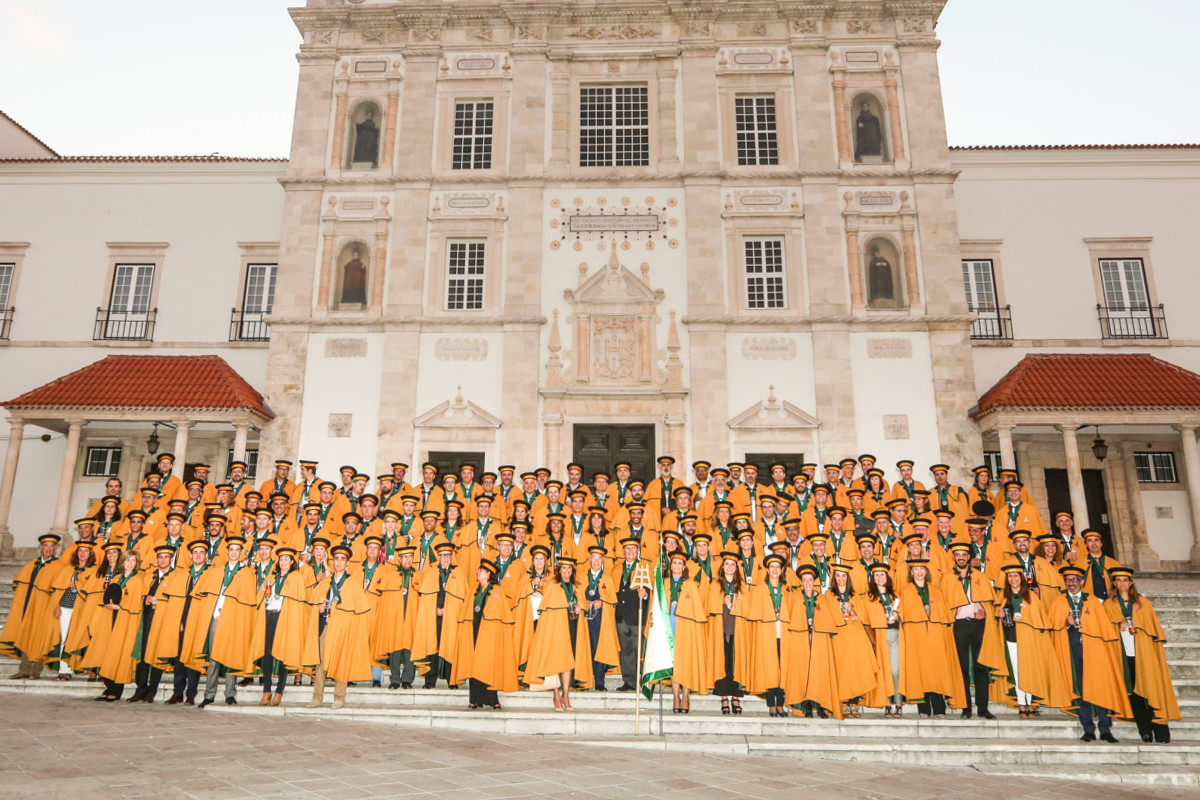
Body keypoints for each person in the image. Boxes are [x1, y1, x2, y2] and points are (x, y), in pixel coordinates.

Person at [1048, 565, 1131, 741]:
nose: (1071, 583)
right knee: (1081, 688)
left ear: (1082, 582)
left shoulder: (1093, 601)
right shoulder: (1059, 601)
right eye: (1068, 580)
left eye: (1075, 580)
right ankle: (1088, 728)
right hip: (1073, 650)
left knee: (1101, 686)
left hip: (1094, 650)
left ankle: (1105, 728)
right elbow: (1053, 627)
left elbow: (1102, 626)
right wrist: (1067, 622)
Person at [985, 564, 1069, 718]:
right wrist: (1000, 615)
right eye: (1010, 576)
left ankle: (1030, 703)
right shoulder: (1003, 596)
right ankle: (1021, 704)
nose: (1013, 579)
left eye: (1016, 576)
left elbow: (1039, 619)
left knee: (1029, 671)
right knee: (1016, 672)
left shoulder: (1031, 596)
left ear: (1021, 578)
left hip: (1028, 640)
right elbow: (995, 619)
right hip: (1011, 639)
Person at [1105, 566, 1178, 743]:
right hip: (1124, 654)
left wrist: (1137, 625)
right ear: (1114, 583)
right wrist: (1117, 625)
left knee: (1152, 689)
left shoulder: (1142, 603)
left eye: (1125, 580)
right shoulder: (1108, 605)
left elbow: (1152, 628)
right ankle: (1144, 730)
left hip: (1144, 653)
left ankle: (1161, 731)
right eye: (1119, 580)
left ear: (1130, 583)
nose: (1122, 583)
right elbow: (1105, 629)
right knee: (1134, 694)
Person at [309, 544, 374, 709]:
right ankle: (317, 697)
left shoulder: (352, 584)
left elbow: (358, 609)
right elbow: (315, 604)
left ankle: (339, 697)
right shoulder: (325, 583)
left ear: (347, 563)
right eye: (336, 559)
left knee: (342, 662)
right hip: (326, 626)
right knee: (320, 663)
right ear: (332, 562)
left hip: (344, 629)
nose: (339, 562)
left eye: (342, 559)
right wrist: (320, 608)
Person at [942, 542, 1000, 719]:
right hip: (958, 625)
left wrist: (984, 610)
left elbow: (990, 602)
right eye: (957, 554)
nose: (961, 557)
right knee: (962, 667)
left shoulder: (981, 577)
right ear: (953, 557)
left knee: (981, 666)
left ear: (969, 557)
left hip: (978, 624)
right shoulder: (946, 578)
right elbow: (944, 604)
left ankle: (983, 707)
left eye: (964, 554)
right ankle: (965, 707)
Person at [897, 558, 962, 718]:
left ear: (926, 572)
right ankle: (924, 709)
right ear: (911, 573)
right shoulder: (906, 591)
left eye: (922, 569)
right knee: (920, 670)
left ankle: (939, 708)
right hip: (916, 635)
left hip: (935, 634)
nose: (919, 572)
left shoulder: (935, 590)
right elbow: (902, 614)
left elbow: (944, 615)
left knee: (937, 669)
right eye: (916, 570)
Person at [452, 559, 518, 709]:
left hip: (489, 634)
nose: (477, 573)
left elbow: (501, 616)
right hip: (473, 630)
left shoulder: (497, 592)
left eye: (480, 571)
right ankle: (474, 698)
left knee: (488, 664)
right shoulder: (473, 591)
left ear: (488, 574)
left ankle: (491, 698)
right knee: (473, 663)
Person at [525, 558, 589, 710]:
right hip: (556, 627)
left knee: (568, 660)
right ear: (559, 570)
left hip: (572, 625)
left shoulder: (577, 587)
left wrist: (581, 607)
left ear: (572, 571)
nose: (566, 571)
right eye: (563, 568)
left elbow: (583, 604)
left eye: (569, 569)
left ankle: (565, 695)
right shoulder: (553, 586)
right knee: (555, 659)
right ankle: (556, 694)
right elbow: (546, 609)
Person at [82, 549, 146, 701]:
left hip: (126, 618)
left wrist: (119, 607)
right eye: (128, 560)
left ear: (137, 564)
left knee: (119, 652)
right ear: (122, 562)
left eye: (133, 561)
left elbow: (136, 603)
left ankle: (116, 690)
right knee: (107, 651)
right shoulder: (116, 578)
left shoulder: (138, 580)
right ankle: (108, 686)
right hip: (110, 617)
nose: (130, 563)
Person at [782, 563, 843, 718]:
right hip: (800, 639)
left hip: (819, 640)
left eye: (810, 579)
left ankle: (821, 704)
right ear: (801, 582)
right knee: (802, 671)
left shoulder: (821, 598)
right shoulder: (795, 597)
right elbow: (791, 617)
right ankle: (805, 703)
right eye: (805, 580)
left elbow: (827, 620)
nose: (808, 583)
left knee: (820, 671)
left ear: (814, 581)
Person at [1, 533, 65, 680]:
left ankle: (35, 671)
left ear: (55, 548)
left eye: (52, 546)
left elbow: (60, 589)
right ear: (41, 547)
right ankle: (23, 669)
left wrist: (56, 606)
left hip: (45, 608)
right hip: (27, 607)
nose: (48, 549)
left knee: (38, 637)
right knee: (25, 635)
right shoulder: (32, 565)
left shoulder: (60, 566)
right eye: (46, 545)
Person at [827, 563, 879, 718]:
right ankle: (843, 702)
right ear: (834, 578)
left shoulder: (856, 597)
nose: (841, 579)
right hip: (839, 636)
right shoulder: (829, 596)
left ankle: (854, 702)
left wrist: (855, 614)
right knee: (842, 669)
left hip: (856, 636)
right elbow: (827, 615)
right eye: (838, 576)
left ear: (847, 578)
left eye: (844, 576)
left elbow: (863, 617)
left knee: (857, 668)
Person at [127, 544, 177, 702]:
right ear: (157, 559)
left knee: (157, 652)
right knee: (142, 653)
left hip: (163, 620)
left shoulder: (176, 577)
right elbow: (137, 596)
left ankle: (152, 689)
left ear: (171, 559)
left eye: (166, 557)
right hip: (147, 618)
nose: (163, 560)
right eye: (160, 557)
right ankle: (140, 688)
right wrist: (145, 598)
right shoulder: (149, 576)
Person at [412, 541, 463, 688]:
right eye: (442, 555)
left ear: (452, 556)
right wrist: (434, 610)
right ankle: (430, 680)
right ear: (438, 557)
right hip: (433, 617)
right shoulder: (431, 572)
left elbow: (461, 599)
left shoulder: (458, 573)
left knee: (450, 646)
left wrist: (450, 610)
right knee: (431, 647)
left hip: (451, 618)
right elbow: (425, 598)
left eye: (448, 555)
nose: (445, 558)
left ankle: (451, 680)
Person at [745, 552, 790, 717]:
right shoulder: (761, 589)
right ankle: (772, 704)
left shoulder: (787, 589)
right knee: (770, 667)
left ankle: (781, 704)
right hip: (767, 631)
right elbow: (755, 613)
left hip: (784, 632)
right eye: (772, 567)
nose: (775, 570)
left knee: (783, 668)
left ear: (781, 570)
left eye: (778, 567)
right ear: (767, 570)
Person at [664, 550, 709, 713]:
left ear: (684, 567)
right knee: (674, 663)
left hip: (685, 627)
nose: (676, 566)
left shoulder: (690, 584)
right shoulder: (665, 583)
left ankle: (686, 695)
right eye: (674, 563)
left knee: (686, 662)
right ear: (671, 566)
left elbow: (695, 608)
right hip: (670, 625)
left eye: (680, 564)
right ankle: (676, 696)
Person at [46, 543, 97, 680]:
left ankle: (79, 667)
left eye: (86, 551)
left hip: (82, 610)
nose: (83, 554)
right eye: (81, 550)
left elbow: (92, 590)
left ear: (90, 554)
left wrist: (77, 584)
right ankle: (64, 670)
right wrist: (57, 606)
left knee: (78, 638)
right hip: (65, 607)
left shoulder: (93, 570)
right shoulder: (68, 569)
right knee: (64, 639)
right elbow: (58, 589)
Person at [707, 551, 748, 715]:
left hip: (737, 629)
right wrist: (722, 601)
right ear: (722, 567)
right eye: (727, 564)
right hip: (721, 628)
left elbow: (747, 608)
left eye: (733, 564)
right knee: (722, 662)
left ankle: (736, 697)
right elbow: (710, 606)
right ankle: (724, 696)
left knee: (735, 663)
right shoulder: (716, 584)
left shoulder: (742, 585)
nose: (730, 567)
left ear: (736, 568)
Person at [374, 544, 420, 689]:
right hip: (395, 619)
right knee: (395, 649)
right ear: (399, 559)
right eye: (405, 557)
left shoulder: (420, 576)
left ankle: (407, 679)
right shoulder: (391, 577)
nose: (407, 560)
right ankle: (394, 679)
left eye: (410, 557)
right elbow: (385, 601)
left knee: (409, 649)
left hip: (412, 618)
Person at [863, 563, 903, 717]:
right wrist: (872, 641)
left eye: (883, 575)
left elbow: (904, 615)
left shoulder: (896, 596)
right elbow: (866, 621)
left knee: (895, 671)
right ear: (873, 578)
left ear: (887, 577)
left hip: (894, 636)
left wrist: (898, 617)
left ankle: (898, 702)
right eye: (877, 575)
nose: (880, 578)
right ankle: (886, 702)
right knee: (882, 672)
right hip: (879, 637)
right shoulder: (869, 598)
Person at [580, 544, 620, 692]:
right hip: (584, 619)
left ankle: (599, 681)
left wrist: (602, 602)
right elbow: (576, 595)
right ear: (589, 560)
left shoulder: (608, 579)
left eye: (599, 559)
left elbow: (612, 600)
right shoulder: (582, 576)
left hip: (600, 619)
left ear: (603, 560)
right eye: (594, 559)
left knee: (599, 648)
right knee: (585, 647)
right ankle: (584, 681)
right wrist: (583, 602)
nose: (596, 562)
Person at [613, 537, 650, 692]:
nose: (630, 552)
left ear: (638, 551)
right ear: (623, 551)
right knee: (626, 649)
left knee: (639, 649)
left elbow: (651, 590)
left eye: (633, 549)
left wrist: (646, 593)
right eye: (627, 549)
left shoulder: (643, 568)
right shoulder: (617, 569)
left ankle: (641, 679)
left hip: (637, 615)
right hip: (621, 616)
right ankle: (629, 680)